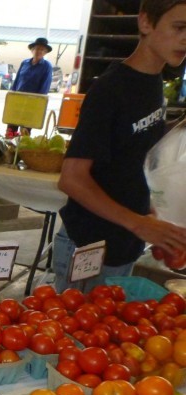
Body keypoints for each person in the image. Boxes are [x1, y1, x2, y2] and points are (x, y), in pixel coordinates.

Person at [54, 0, 186, 293]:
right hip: (88, 245)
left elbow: (132, 167)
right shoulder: (110, 90)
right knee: (73, 337)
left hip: (124, 246)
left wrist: (154, 219)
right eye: (179, 27)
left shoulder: (154, 84)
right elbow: (71, 178)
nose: (185, 39)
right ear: (145, 22)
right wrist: (139, 223)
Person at [6, 37, 54, 138]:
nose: (39, 51)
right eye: (37, 48)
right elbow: (17, 81)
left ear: (45, 52)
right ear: (33, 50)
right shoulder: (25, 63)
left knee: (25, 132)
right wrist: (12, 96)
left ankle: (21, 152)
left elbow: (44, 88)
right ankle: (8, 149)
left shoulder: (47, 66)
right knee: (11, 129)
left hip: (31, 103)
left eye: (42, 49)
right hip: (18, 100)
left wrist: (38, 103)